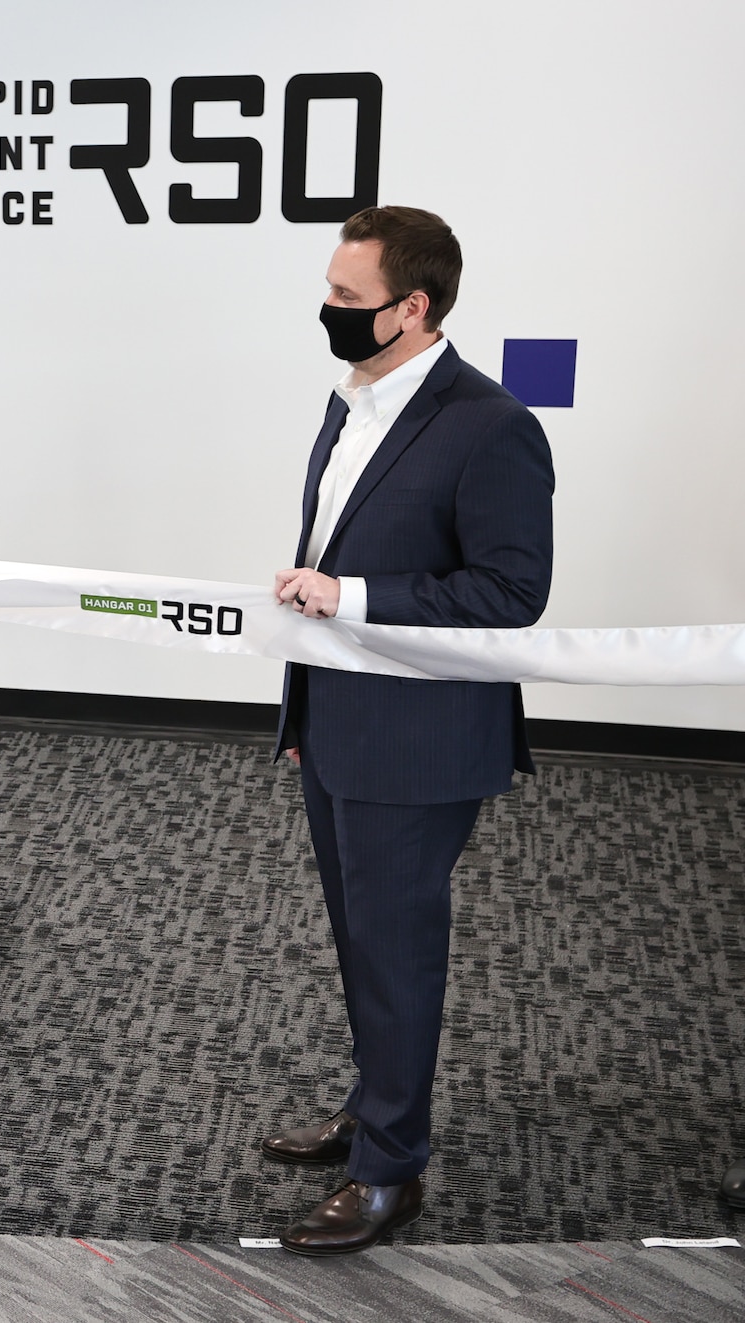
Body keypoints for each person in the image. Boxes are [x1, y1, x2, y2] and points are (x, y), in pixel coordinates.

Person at [264, 206, 555, 1254]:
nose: (326, 311)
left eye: (346, 298)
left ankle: (390, 1173)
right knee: (359, 944)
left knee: (396, 953)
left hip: (417, 743)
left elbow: (509, 592)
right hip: (338, 724)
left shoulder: (490, 425)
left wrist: (349, 597)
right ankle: (373, 1106)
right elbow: (324, 557)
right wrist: (304, 707)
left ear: (412, 308)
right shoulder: (352, 402)